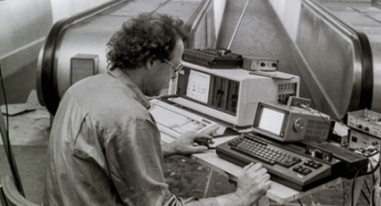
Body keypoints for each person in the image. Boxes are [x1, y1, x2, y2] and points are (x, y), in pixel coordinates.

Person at [43, 12, 271, 206]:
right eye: (175, 66)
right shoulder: (131, 118)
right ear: (151, 62)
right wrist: (240, 196)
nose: (175, 74)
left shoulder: (81, 89)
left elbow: (102, 157)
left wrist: (169, 148)